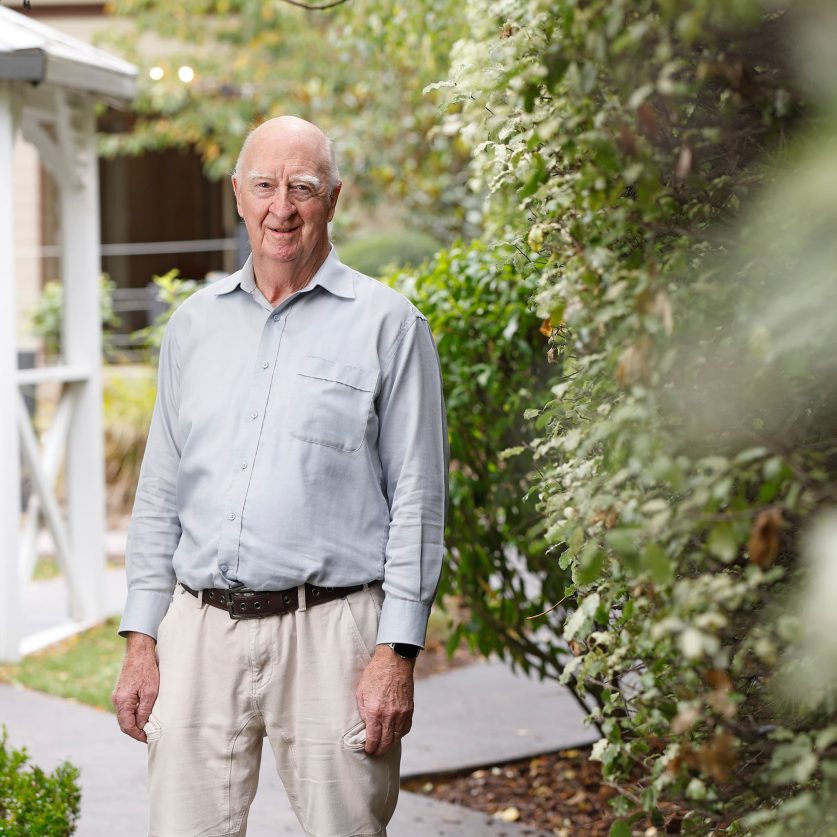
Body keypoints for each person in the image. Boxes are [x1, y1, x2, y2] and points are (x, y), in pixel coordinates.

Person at [112, 115, 449, 837]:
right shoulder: (193, 326)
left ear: (334, 199)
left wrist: (396, 652)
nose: (281, 208)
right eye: (265, 185)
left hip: (332, 634)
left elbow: (419, 501)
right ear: (238, 193)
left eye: (303, 187)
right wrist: (141, 638)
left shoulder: (389, 325)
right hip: (198, 632)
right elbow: (160, 492)